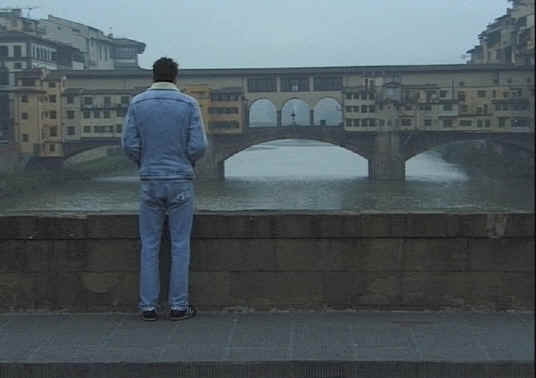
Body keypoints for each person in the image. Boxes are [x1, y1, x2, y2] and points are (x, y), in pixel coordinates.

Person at [122, 57, 208, 321]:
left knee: (149, 245)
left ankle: (148, 307)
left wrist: (145, 163)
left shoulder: (137, 103)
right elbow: (199, 146)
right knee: (180, 245)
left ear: (153, 76)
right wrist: (185, 162)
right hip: (180, 180)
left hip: (150, 180)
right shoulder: (188, 104)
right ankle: (178, 307)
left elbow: (129, 144)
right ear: (175, 76)